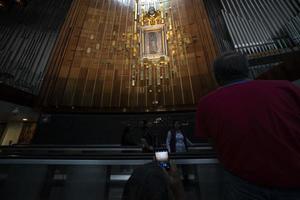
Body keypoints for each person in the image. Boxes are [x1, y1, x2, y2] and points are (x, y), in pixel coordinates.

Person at [196, 51, 300, 199]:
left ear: (217, 76)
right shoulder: (286, 88)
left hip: (244, 181)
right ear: (247, 70)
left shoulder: (207, 103)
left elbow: (212, 142)